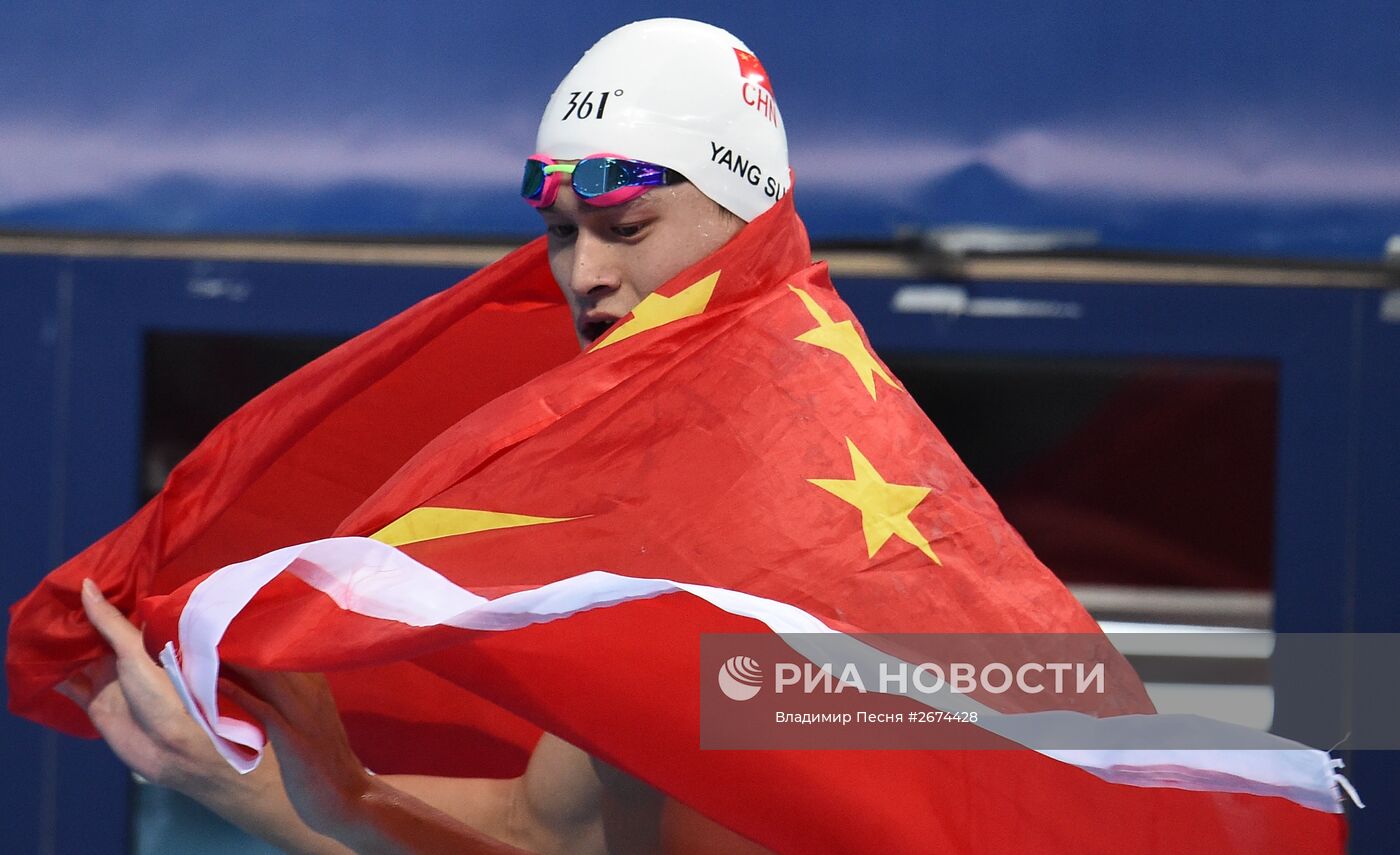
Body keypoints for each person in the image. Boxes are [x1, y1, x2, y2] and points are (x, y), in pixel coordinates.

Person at [62, 18, 790, 855]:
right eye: (561, 232)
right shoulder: (671, 502)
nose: (584, 273)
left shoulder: (826, 545)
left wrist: (327, 800)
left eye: (625, 229)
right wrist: (247, 774)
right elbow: (546, 830)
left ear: (751, 225)